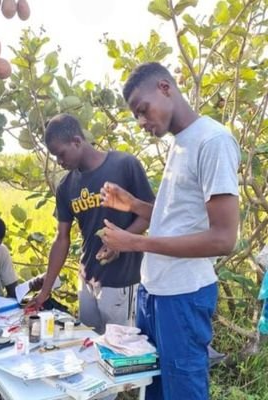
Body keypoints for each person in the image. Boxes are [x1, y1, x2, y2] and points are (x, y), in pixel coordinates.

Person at [100, 62, 240, 400]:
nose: (141, 121)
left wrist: (135, 242)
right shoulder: (181, 143)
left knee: (183, 390)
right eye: (136, 116)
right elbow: (176, 219)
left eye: (142, 110)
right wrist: (134, 205)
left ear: (165, 88)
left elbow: (223, 238)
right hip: (156, 292)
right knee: (157, 388)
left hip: (183, 295)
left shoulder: (213, 141)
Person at [29, 113, 154, 334]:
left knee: (122, 351)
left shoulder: (124, 165)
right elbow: (62, 238)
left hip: (122, 282)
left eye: (61, 154)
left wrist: (120, 242)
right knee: (90, 347)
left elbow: (151, 214)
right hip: (87, 281)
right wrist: (45, 291)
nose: (59, 161)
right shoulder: (66, 186)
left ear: (77, 141)